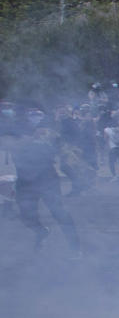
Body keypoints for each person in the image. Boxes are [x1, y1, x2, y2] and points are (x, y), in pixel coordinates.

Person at [12, 108, 81, 255]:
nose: (34, 120)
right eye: (31, 116)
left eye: (37, 116)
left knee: (59, 213)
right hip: (24, 181)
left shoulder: (50, 134)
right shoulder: (17, 134)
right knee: (26, 215)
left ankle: (75, 247)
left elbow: (65, 151)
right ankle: (41, 231)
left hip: (47, 179)